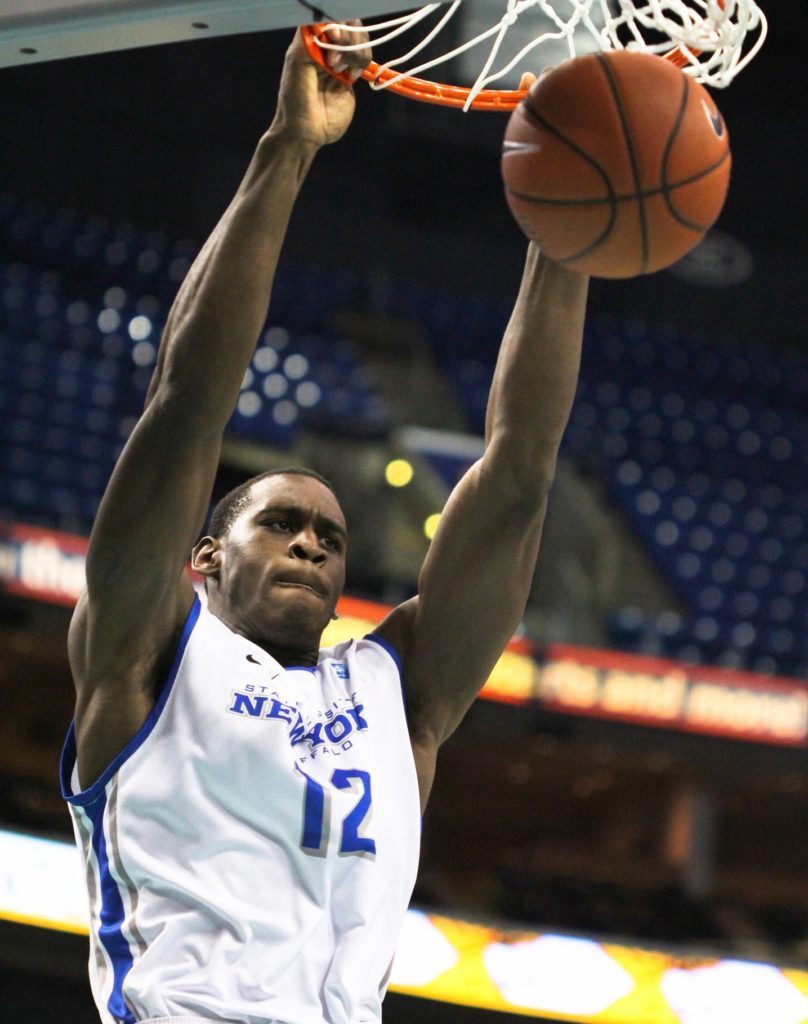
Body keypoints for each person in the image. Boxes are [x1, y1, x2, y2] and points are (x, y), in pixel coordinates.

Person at [59, 23, 589, 1024]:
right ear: (206, 554)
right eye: (284, 523)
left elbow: (517, 475)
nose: (312, 541)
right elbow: (185, 402)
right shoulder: (146, 653)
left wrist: (569, 231)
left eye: (331, 537)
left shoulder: (398, 692)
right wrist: (287, 148)